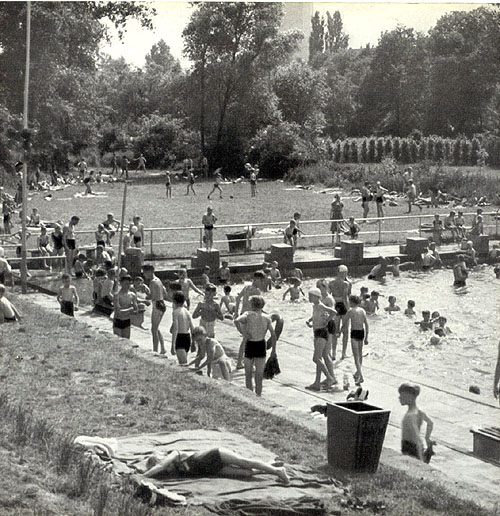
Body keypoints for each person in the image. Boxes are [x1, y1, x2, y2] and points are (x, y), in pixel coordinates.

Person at [141, 446, 289, 484]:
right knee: (247, 473)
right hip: (212, 469)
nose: (166, 468)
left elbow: (160, 467)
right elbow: (160, 470)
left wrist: (142, 476)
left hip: (214, 454)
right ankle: (268, 466)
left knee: (244, 462)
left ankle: (277, 471)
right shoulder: (174, 471)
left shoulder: (175, 454)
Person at [234, 295, 276, 397]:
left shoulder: (248, 314)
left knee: (248, 374)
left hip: (250, 343)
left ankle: (250, 396)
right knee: (259, 374)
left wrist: (244, 333)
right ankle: (259, 395)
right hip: (261, 344)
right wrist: (274, 350)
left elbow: (236, 320)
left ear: (252, 304)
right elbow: (273, 334)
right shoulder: (266, 318)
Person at [305, 288, 338, 391]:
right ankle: (317, 382)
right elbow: (317, 316)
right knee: (319, 358)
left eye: (311, 296)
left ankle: (329, 378)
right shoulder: (315, 306)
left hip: (321, 332)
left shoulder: (320, 305)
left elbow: (333, 312)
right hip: (317, 332)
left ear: (316, 297)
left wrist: (327, 321)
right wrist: (310, 321)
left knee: (316, 358)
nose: (309, 297)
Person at [398, 383, 434, 462]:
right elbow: (430, 423)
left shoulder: (410, 416)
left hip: (410, 449)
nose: (399, 398)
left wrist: (421, 459)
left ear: (410, 397)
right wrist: (427, 438)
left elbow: (417, 438)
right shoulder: (419, 412)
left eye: (402, 395)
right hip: (413, 447)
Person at [328, 264, 351, 360]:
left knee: (335, 330)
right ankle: (343, 353)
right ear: (345, 273)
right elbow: (345, 297)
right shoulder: (346, 284)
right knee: (345, 330)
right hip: (343, 306)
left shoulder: (331, 283)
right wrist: (348, 309)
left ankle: (333, 353)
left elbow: (328, 295)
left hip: (334, 306)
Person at [345, 295, 369, 385]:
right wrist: (367, 337)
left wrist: (339, 331)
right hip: (361, 332)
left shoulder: (350, 311)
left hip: (354, 332)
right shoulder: (362, 311)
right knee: (360, 354)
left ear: (352, 302)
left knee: (356, 356)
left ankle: (361, 376)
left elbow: (345, 323)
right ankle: (358, 372)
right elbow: (366, 324)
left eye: (349, 301)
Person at [143, 264, 167, 354]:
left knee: (153, 329)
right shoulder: (158, 280)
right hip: (162, 304)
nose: (144, 275)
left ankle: (155, 350)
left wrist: (146, 295)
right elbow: (164, 292)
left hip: (156, 305)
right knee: (156, 328)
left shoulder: (152, 282)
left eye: (145, 272)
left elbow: (151, 296)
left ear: (149, 272)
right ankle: (163, 348)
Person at [171, 291, 195, 365]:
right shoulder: (187, 311)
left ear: (174, 301)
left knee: (183, 364)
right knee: (184, 361)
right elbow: (192, 327)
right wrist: (193, 342)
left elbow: (176, 329)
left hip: (180, 337)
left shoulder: (175, 312)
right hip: (187, 337)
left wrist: (173, 345)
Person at [113, 275, 138, 339]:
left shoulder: (132, 295)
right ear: (121, 283)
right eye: (126, 284)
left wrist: (131, 310)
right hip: (118, 320)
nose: (128, 286)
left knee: (127, 341)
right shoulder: (117, 295)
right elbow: (118, 312)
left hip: (127, 321)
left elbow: (136, 311)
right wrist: (130, 309)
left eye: (129, 284)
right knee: (118, 341)